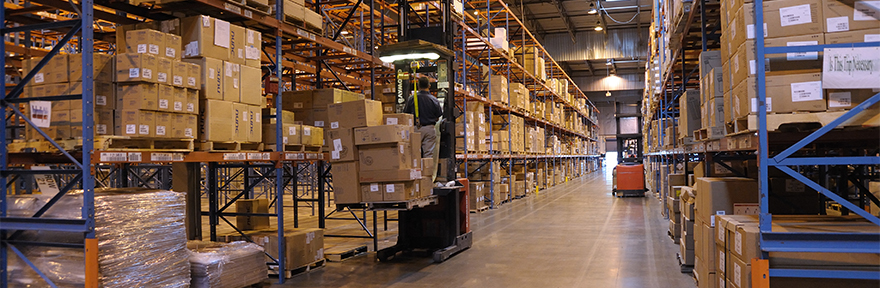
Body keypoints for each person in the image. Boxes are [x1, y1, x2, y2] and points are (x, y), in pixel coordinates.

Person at [403, 77, 443, 158]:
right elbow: (438, 116)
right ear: (429, 85)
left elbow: (406, 115)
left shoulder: (412, 99)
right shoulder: (434, 100)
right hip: (429, 129)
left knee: (414, 153)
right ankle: (426, 170)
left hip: (415, 129)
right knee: (428, 154)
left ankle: (415, 169)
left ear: (418, 86)